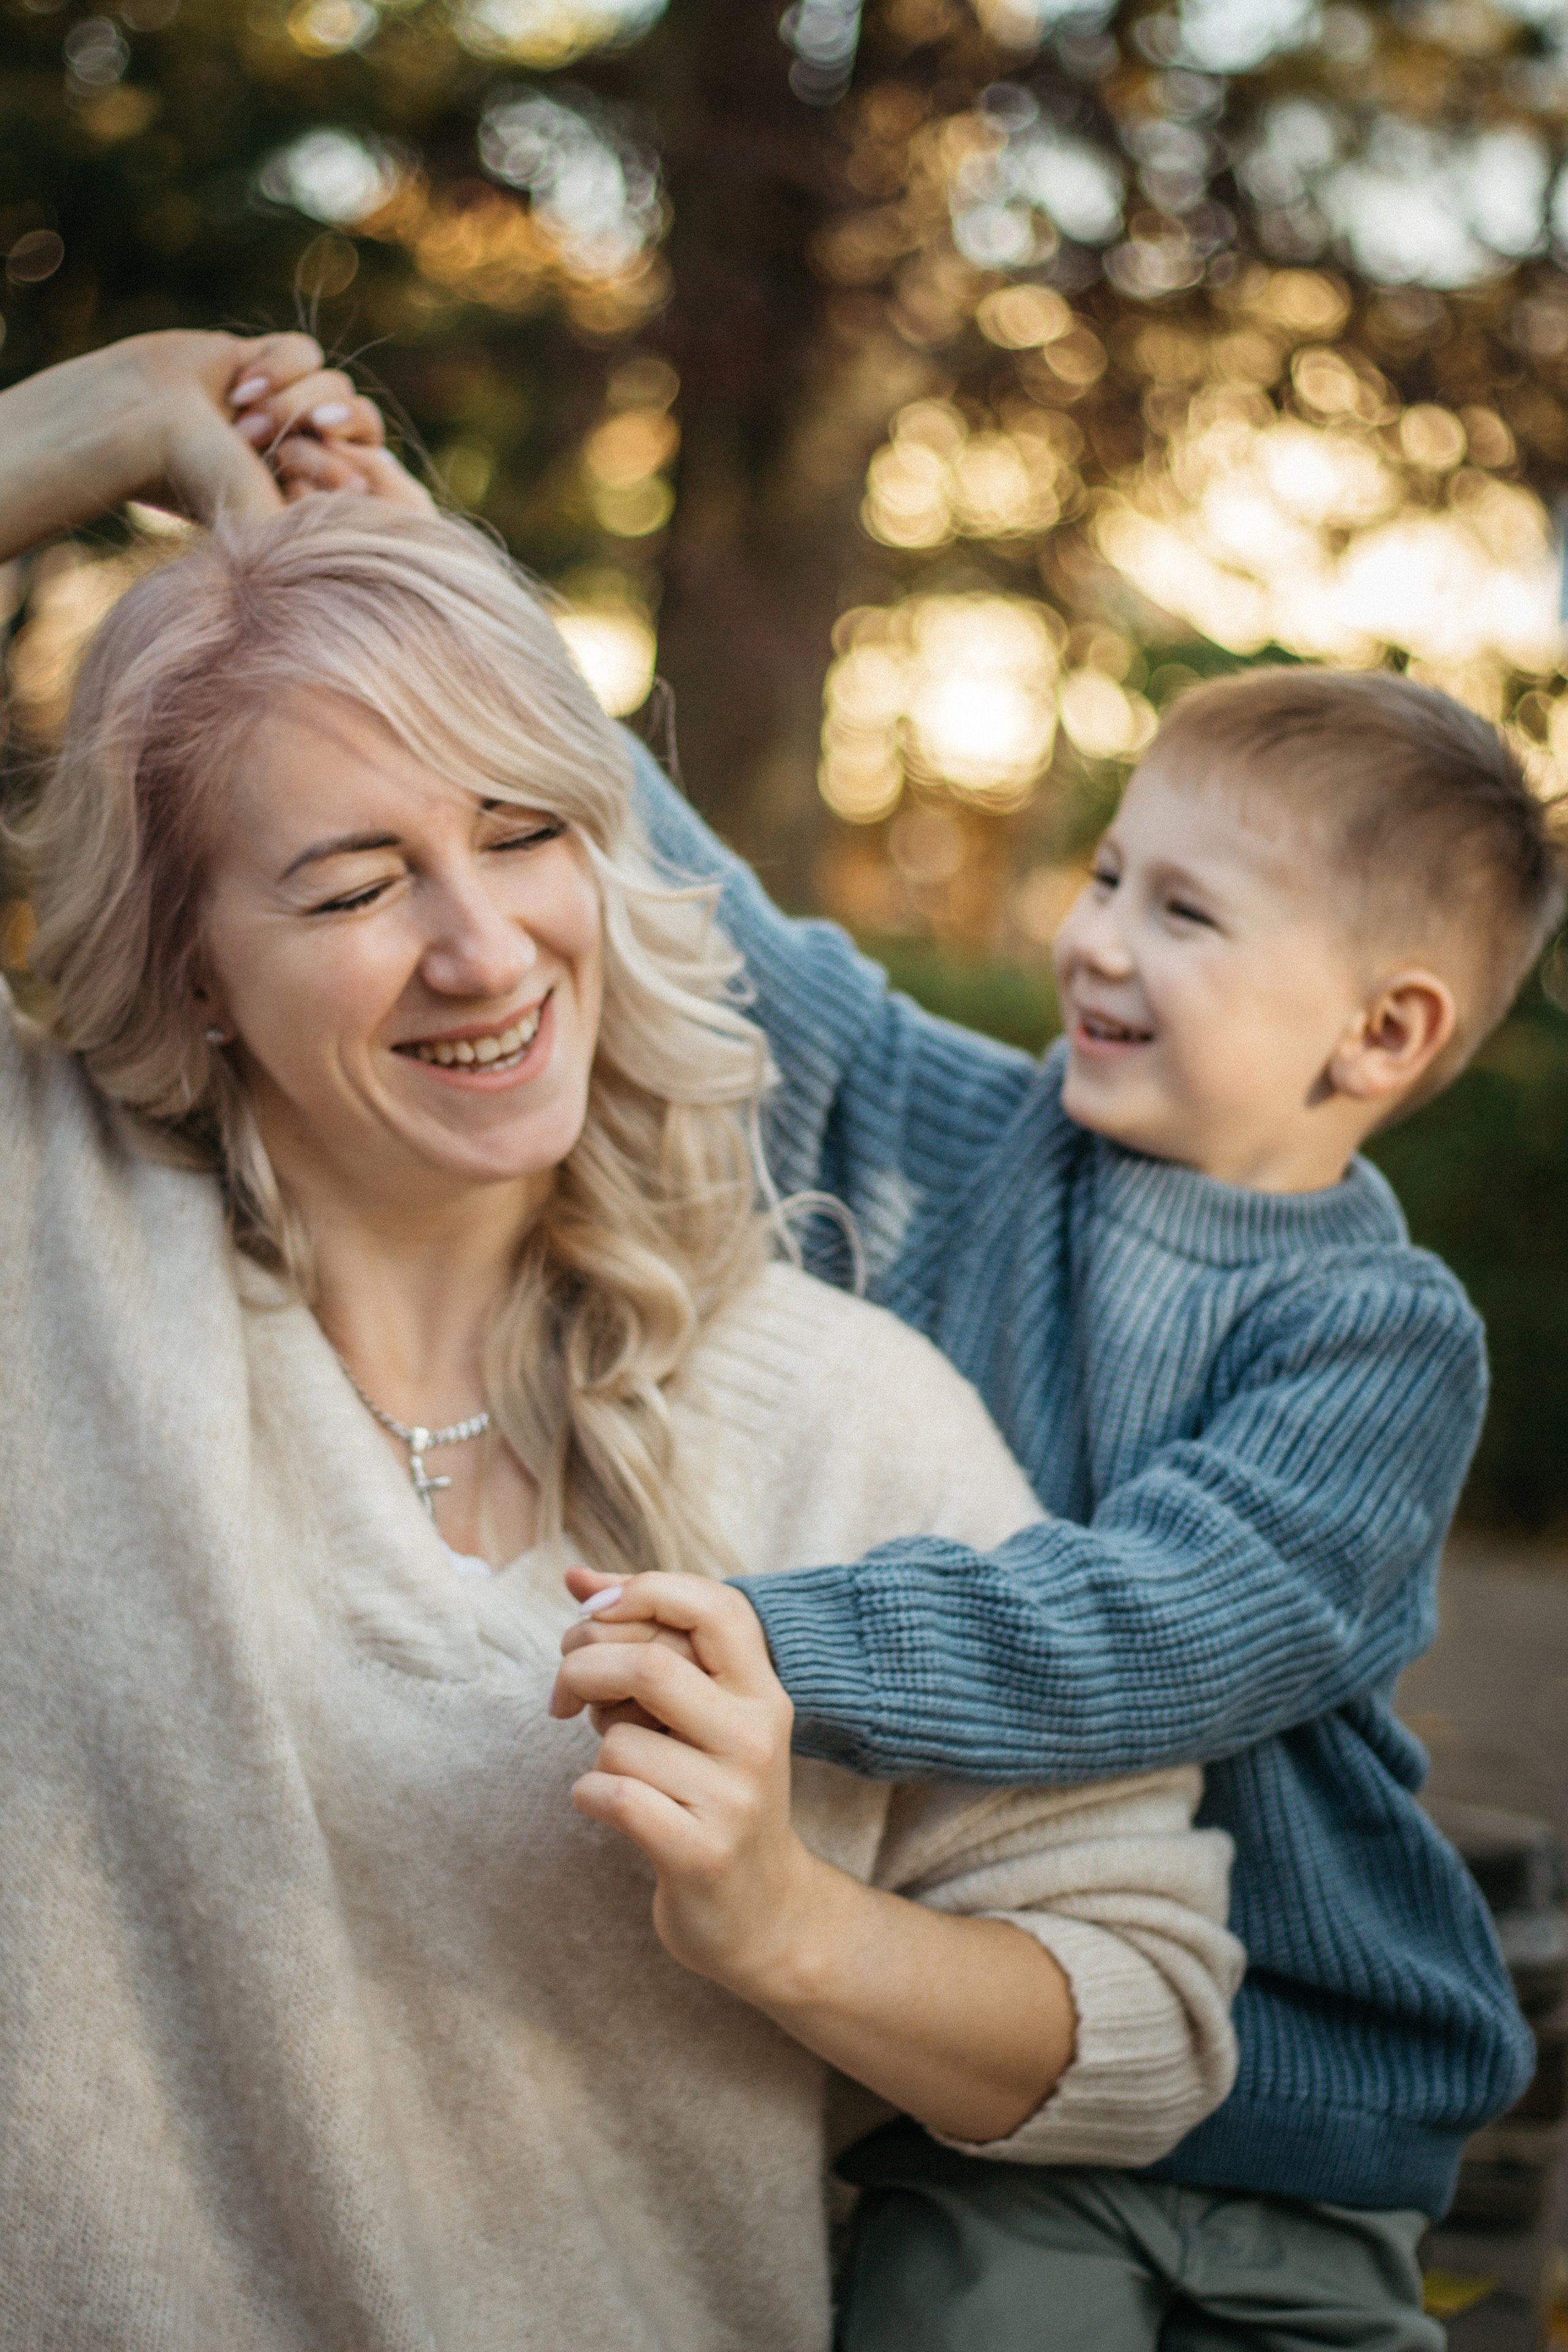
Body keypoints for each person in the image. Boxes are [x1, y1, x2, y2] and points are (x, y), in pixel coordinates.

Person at [0, 336, 1245, 2350]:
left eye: (521, 833)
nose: (484, 950)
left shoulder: (840, 1413)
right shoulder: (50, 1241)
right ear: (194, 968)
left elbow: (1149, 2017)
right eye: (354, 886)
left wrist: (786, 1924)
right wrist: (121, 420)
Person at [605, 666, 1559, 2349]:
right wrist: (457, 614)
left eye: (1184, 911)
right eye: (1111, 873)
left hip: (1305, 2118)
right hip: (1000, 2097)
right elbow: (729, 942)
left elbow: (1158, 1627)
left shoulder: (1380, 1342)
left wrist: (770, 1640)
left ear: (1381, 1032)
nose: (1096, 938)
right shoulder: (986, 1146)